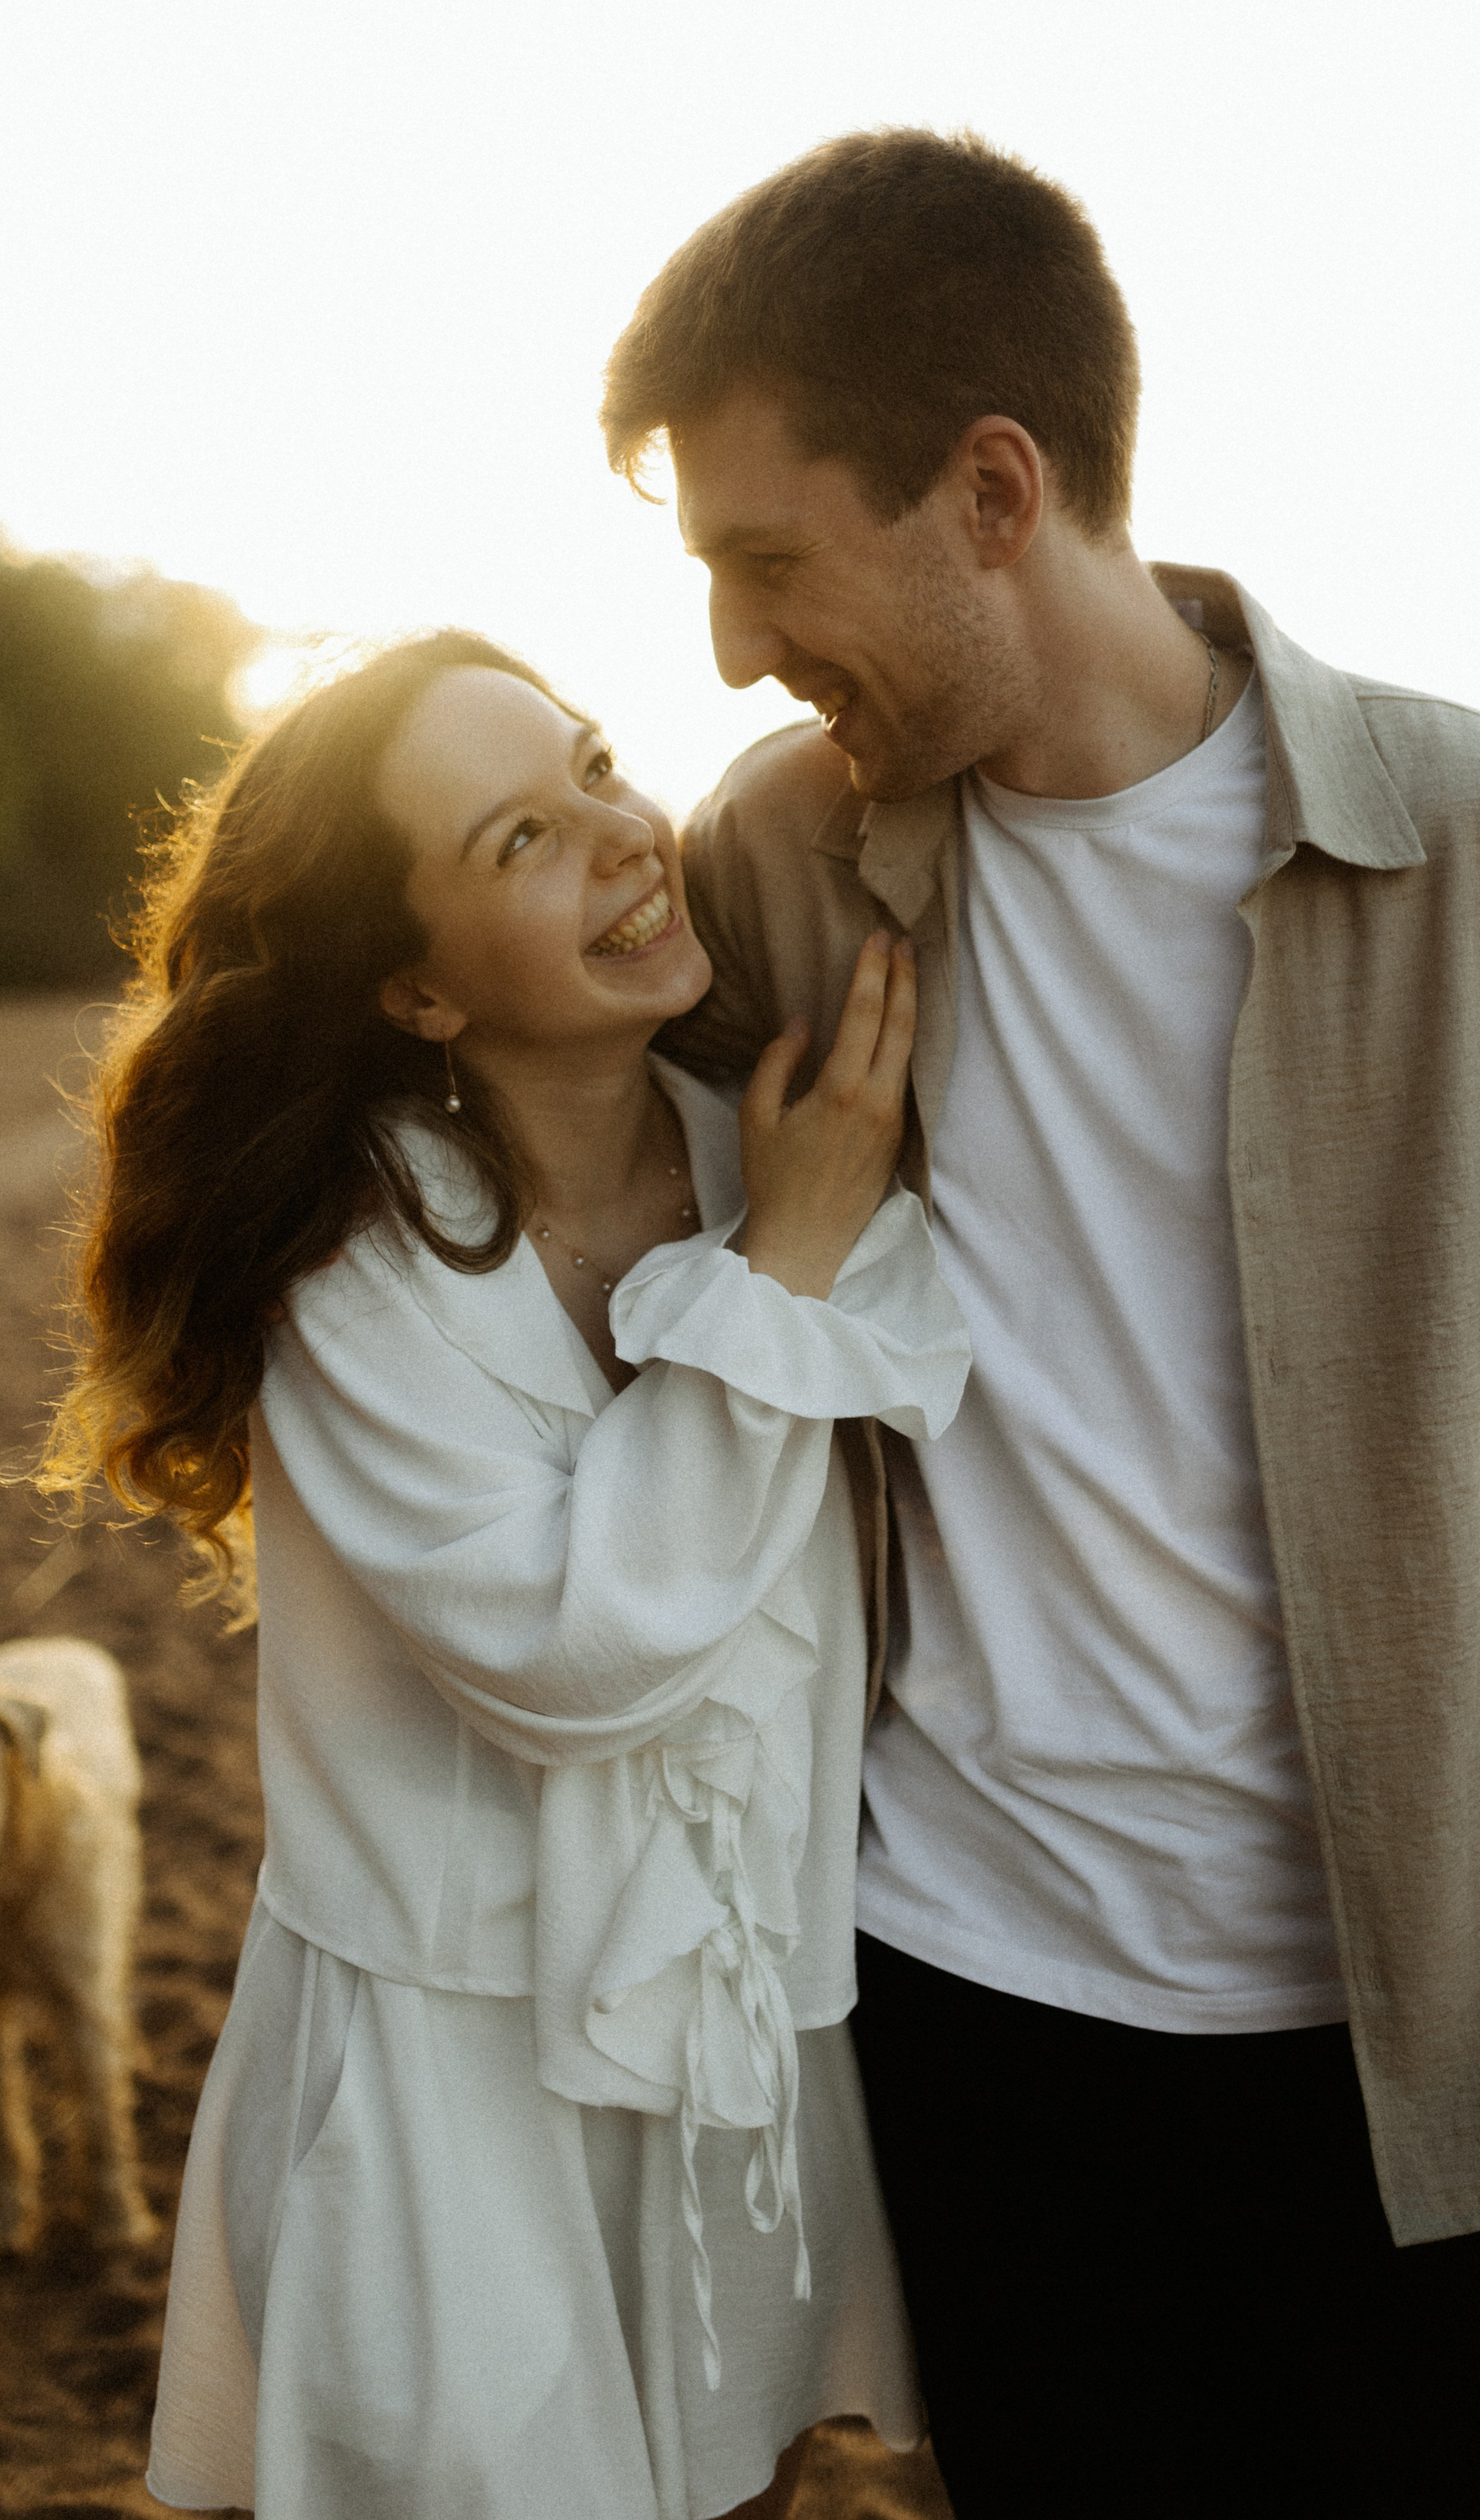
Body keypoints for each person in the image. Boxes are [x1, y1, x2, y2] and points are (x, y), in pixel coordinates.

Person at [601, 127, 1480, 2519]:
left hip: (1409, 2030)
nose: (732, 648)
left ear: (994, 487)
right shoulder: (780, 854)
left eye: (769, 561)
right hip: (971, 1997)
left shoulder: (1463, 850)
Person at [36, 627, 972, 2520]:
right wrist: (779, 1275)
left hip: (728, 2029)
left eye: (603, 765)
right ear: (417, 988)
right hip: (447, 2084)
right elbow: (572, 1649)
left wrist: (786, 1231)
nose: (627, 836)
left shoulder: (776, 1150)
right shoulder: (361, 1266)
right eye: (521, 840)